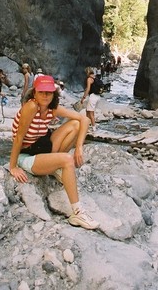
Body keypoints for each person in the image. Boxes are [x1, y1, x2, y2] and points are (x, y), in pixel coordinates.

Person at [9, 75, 98, 230]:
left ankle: (54, 167)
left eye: (49, 92)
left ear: (54, 94)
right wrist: (13, 166)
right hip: (26, 155)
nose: (45, 96)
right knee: (67, 160)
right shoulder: (31, 107)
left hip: (41, 147)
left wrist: (79, 147)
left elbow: (85, 120)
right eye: (42, 92)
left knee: (75, 125)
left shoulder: (52, 108)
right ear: (35, 92)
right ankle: (77, 212)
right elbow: (19, 138)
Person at [79, 67, 102, 133]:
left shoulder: (89, 79)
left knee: (91, 114)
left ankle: (94, 129)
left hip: (93, 97)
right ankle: (87, 124)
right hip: (98, 97)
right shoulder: (95, 78)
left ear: (87, 72)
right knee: (87, 111)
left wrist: (83, 97)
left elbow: (88, 89)